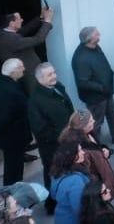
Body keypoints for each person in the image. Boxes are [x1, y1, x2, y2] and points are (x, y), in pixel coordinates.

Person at [71, 28, 114, 145]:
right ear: (89, 39)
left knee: (113, 112)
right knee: (95, 121)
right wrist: (101, 88)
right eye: (96, 34)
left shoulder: (96, 47)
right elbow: (83, 82)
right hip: (95, 96)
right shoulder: (81, 58)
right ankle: (95, 145)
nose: (99, 35)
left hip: (106, 91)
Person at [25, 64, 74, 192]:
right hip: (52, 147)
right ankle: (52, 202)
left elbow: (69, 109)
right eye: (50, 75)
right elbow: (40, 130)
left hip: (68, 140)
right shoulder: (35, 101)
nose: (54, 76)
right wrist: (63, 135)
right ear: (40, 79)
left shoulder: (58, 87)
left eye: (54, 72)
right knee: (53, 173)